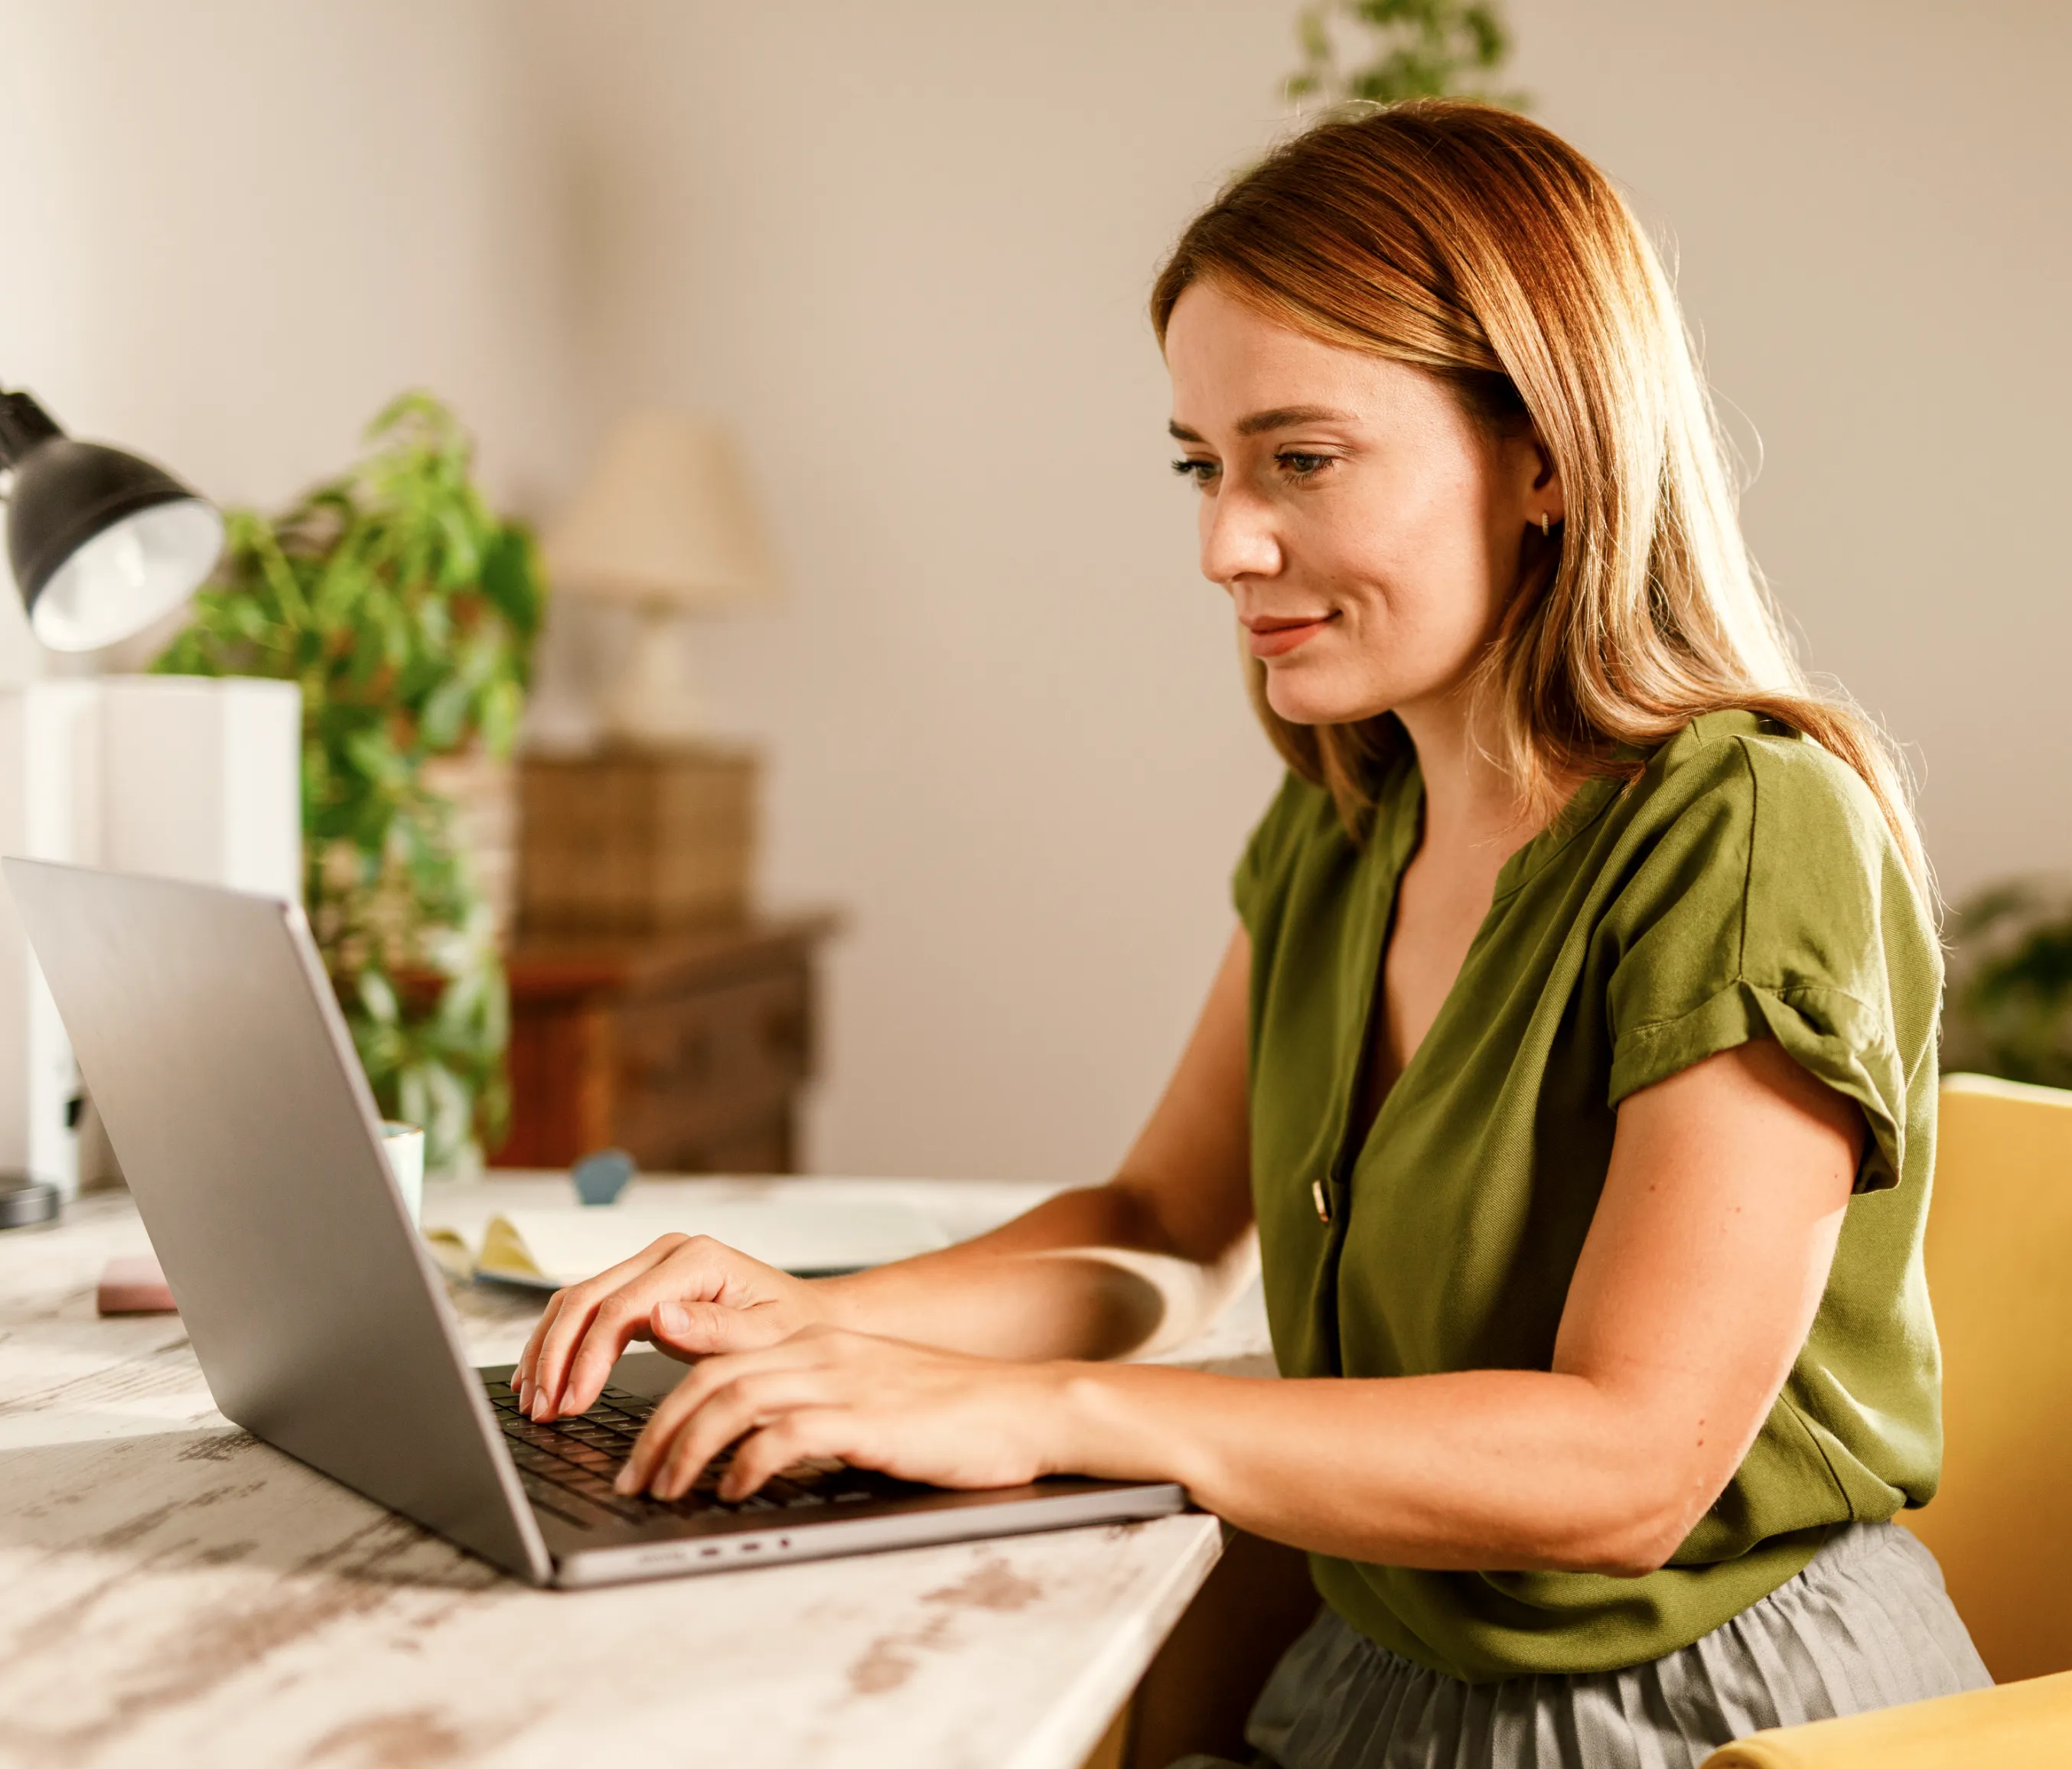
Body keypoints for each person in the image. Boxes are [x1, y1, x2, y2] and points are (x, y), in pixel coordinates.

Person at [513, 101, 1989, 1767]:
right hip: (1377, 1671)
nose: (1227, 543)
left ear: (1549, 457)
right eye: (1203, 466)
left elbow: (1630, 1467)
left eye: (1302, 458)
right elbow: (1162, 1221)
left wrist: (1038, 1410)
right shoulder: (1344, 819)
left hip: (1703, 1717)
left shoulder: (1748, 829)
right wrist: (815, 1322)